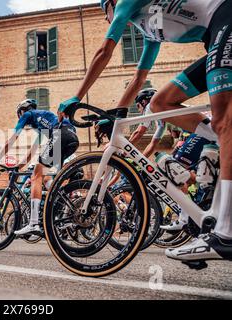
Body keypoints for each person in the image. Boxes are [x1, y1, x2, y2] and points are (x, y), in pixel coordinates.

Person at [58, 0, 232, 262]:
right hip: (216, 35)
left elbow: (104, 51)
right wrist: (116, 113)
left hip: (225, 17)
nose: (107, 19)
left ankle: (227, 235)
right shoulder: (150, 28)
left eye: (105, 11)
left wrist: (76, 96)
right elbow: (139, 79)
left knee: (225, 119)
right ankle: (221, 141)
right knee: (160, 102)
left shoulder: (126, 2)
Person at [0, 99, 79, 236]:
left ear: (22, 111)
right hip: (72, 138)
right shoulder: (42, 122)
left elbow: (12, 138)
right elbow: (33, 150)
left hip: (60, 135)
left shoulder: (28, 115)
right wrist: (19, 165)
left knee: (35, 176)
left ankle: (33, 223)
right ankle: (62, 205)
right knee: (46, 177)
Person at [129, 89, 182, 157]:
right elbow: (153, 144)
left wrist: (123, 151)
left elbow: (139, 132)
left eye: (138, 106)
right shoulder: (161, 120)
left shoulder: (150, 106)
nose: (138, 109)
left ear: (144, 102)